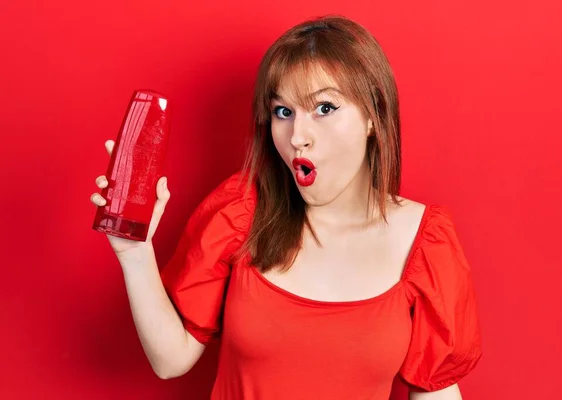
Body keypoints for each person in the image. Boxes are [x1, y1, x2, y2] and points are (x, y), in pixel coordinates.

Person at [90, 15, 482, 400]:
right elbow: (170, 360)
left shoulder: (425, 243)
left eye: (325, 108)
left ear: (373, 118)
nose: (297, 137)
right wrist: (135, 254)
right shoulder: (239, 213)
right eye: (283, 111)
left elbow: (436, 393)